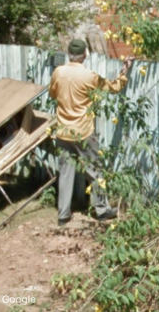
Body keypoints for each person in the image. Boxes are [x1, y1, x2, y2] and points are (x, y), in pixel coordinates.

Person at [49, 39, 132, 225]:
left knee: (65, 173)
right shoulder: (89, 76)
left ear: (69, 53)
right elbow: (114, 87)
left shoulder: (58, 72)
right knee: (95, 171)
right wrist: (124, 70)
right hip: (84, 132)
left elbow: (53, 94)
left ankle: (63, 215)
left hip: (63, 131)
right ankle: (102, 210)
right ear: (85, 54)